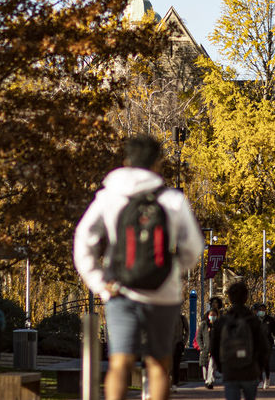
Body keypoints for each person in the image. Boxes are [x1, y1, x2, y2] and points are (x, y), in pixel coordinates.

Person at [73, 135, 204, 400]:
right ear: (158, 164)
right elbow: (193, 246)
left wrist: (99, 283)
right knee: (158, 365)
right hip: (163, 294)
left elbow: (83, 240)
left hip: (120, 291)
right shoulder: (172, 200)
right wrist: (172, 271)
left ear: (126, 161)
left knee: (120, 363)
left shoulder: (108, 197)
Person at [212, 282, 270, 400]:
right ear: (246, 297)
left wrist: (221, 366)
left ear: (230, 297)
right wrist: (260, 368)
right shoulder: (253, 321)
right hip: (250, 370)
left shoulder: (222, 322)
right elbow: (263, 347)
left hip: (230, 370)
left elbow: (214, 347)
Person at [253, 303, 275, 388]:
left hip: (267, 343)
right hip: (257, 344)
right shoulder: (254, 320)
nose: (262, 311)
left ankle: (267, 378)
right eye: (260, 309)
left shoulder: (270, 320)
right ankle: (260, 380)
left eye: (263, 309)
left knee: (265, 362)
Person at [199, 306, 221, 389]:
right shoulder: (204, 324)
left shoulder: (218, 325)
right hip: (205, 348)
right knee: (204, 366)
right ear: (208, 315)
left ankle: (210, 381)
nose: (213, 316)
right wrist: (201, 347)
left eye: (214, 315)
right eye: (211, 315)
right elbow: (199, 337)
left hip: (214, 348)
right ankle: (207, 380)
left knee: (212, 365)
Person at [172, 313, 187, 391]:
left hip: (177, 345)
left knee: (175, 365)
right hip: (166, 345)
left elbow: (187, 331)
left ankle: (174, 383)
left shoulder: (181, 317)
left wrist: (183, 342)